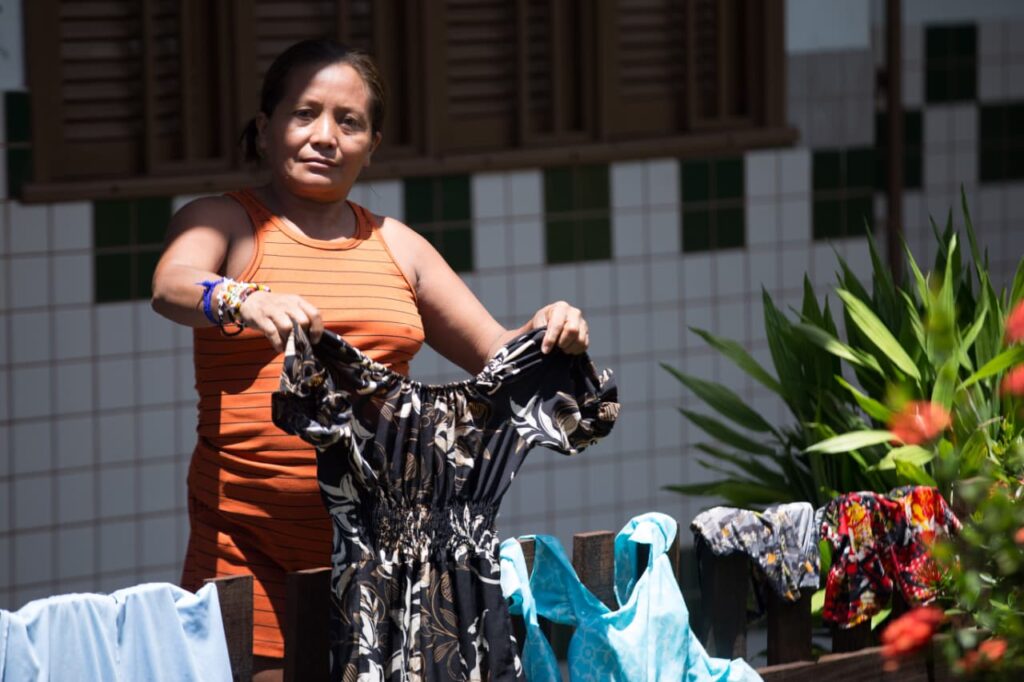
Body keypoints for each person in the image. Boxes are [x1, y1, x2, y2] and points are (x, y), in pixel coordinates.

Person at [151, 39, 590, 681]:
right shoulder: (222, 221)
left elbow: (498, 355)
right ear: (266, 128)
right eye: (304, 114)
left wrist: (551, 329)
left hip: (388, 567)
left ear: (372, 142)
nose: (324, 136)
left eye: (348, 121)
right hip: (248, 560)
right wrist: (241, 298)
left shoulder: (398, 245)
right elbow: (170, 285)